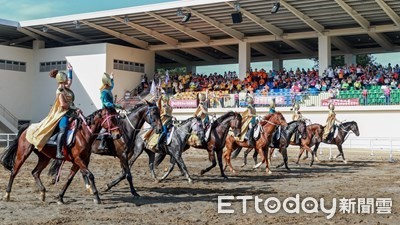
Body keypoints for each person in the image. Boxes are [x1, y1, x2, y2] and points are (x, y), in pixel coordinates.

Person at [26, 64, 77, 159]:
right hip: (62, 114)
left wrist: (70, 71)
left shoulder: (66, 87)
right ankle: (58, 151)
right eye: (66, 77)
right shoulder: (60, 90)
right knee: (64, 127)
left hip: (71, 112)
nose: (67, 79)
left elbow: (70, 80)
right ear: (62, 79)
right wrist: (74, 108)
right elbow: (63, 105)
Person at [98, 72, 122, 150]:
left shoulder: (108, 89)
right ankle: (102, 143)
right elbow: (106, 103)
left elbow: (112, 86)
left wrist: (112, 78)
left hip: (111, 110)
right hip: (106, 111)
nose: (110, 84)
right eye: (109, 81)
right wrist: (116, 105)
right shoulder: (104, 92)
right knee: (107, 124)